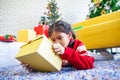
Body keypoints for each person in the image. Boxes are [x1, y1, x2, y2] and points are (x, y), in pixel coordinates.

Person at [22, 20, 94, 71]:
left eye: (60, 38)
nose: (56, 42)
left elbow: (89, 64)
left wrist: (65, 52)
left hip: (85, 56)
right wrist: (34, 65)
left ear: (69, 35)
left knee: (94, 57)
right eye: (53, 40)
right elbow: (47, 64)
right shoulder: (52, 47)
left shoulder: (77, 44)